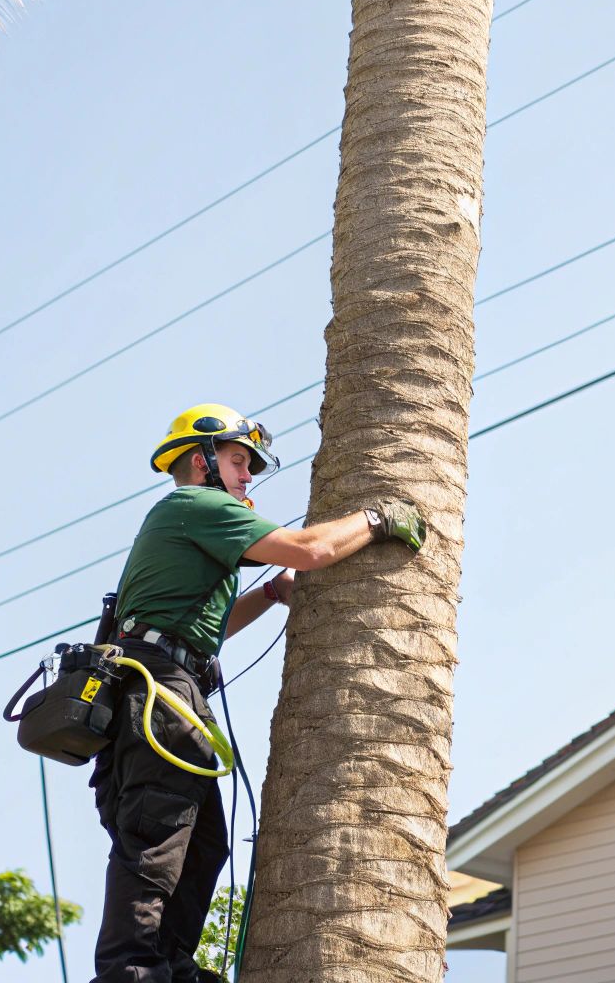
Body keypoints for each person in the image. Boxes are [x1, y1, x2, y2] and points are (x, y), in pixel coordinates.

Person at [91, 403, 426, 983]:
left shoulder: (184, 523)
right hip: (158, 692)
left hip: (158, 685)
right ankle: (132, 969)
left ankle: (167, 965)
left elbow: (202, 630)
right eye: (238, 460)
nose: (248, 476)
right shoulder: (199, 504)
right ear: (201, 461)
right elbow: (311, 550)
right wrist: (376, 519)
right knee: (159, 836)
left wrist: (270, 595)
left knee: (202, 842)